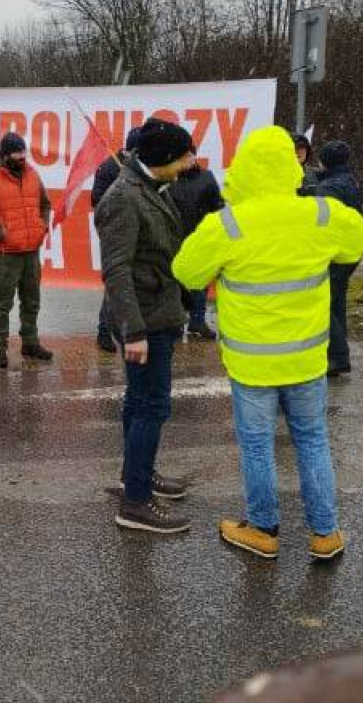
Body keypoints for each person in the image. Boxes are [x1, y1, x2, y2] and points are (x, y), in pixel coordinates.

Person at [173, 126, 363, 561]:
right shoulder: (321, 214)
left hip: (252, 365)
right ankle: (325, 533)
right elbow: (357, 241)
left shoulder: (227, 224)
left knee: (258, 446)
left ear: (243, 168)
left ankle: (263, 529)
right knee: (313, 441)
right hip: (306, 360)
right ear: (291, 166)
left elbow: (186, 272)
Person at [95, 117, 196, 534]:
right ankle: (135, 503)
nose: (192, 160)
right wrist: (133, 330)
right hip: (145, 320)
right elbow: (116, 269)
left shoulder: (151, 187)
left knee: (140, 401)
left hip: (157, 311)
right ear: (165, 158)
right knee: (152, 404)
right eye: (186, 154)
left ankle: (135, 474)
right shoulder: (125, 197)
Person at [0, 132, 54, 369]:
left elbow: (45, 204)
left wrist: (42, 227)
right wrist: (2, 234)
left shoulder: (33, 174)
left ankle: (30, 343)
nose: (22, 156)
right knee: (3, 304)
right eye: (17, 152)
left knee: (32, 301)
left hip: (31, 252)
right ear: (5, 154)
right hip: (7, 254)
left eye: (23, 151)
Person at [313, 140, 363, 377]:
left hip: (332, 252)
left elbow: (322, 222)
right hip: (348, 250)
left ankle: (338, 356)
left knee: (324, 304)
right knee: (336, 302)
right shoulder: (350, 181)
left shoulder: (328, 188)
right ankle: (337, 353)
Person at [92, 127, 143, 354]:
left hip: (140, 233)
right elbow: (96, 199)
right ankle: (105, 331)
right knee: (116, 281)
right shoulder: (110, 166)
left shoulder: (142, 166)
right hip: (116, 234)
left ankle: (132, 328)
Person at [168, 163, 224, 340]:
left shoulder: (206, 177)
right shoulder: (168, 178)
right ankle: (176, 322)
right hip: (174, 239)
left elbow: (218, 206)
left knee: (201, 282)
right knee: (175, 283)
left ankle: (198, 321)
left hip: (200, 238)